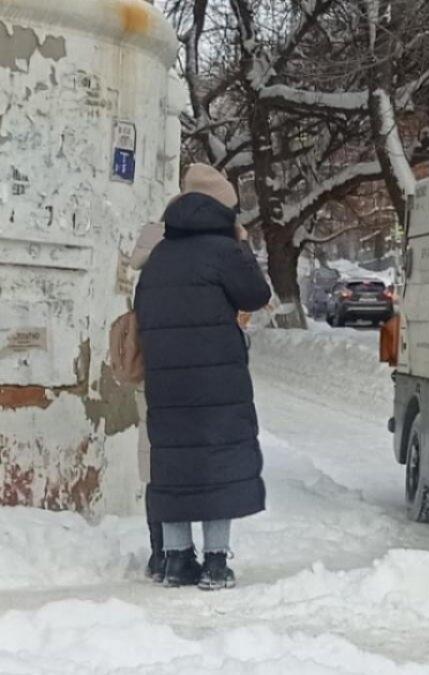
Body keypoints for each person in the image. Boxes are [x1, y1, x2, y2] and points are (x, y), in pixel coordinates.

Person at [135, 164, 272, 590]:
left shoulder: (160, 254)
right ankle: (215, 563)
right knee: (219, 461)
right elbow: (257, 295)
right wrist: (244, 248)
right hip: (218, 378)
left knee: (174, 462)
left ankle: (176, 561)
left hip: (167, 377)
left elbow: (143, 309)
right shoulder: (224, 250)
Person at [130, 218, 166, 581]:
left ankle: (159, 552)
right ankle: (172, 549)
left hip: (149, 377)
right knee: (175, 465)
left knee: (154, 463)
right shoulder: (174, 269)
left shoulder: (146, 274)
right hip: (174, 378)